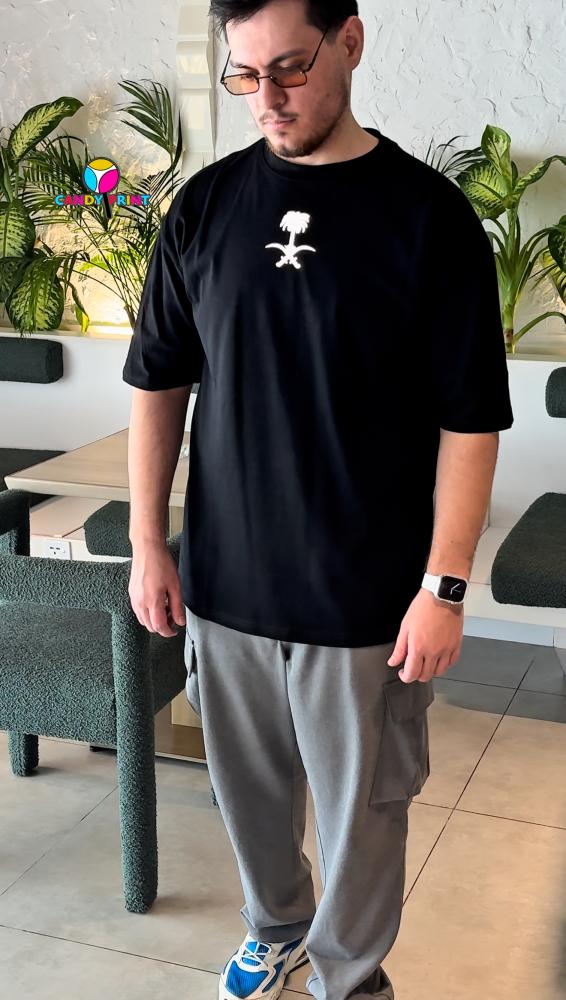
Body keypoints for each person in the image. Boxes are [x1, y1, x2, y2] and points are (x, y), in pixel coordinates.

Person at [122, 1, 514, 997]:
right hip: (226, 587)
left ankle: (349, 974)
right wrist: (148, 543)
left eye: (290, 68)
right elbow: (158, 382)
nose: (268, 98)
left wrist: (444, 587)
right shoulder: (206, 207)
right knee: (248, 799)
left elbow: (470, 423)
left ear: (350, 41)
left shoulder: (427, 218)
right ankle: (277, 927)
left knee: (363, 814)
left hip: (365, 598)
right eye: (244, 75)